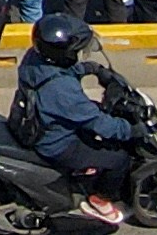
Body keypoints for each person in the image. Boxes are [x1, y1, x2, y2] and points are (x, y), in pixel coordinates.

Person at [12, 15, 143, 225]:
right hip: (56, 144)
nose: (77, 55)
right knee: (118, 159)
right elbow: (100, 124)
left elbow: (61, 70)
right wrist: (131, 130)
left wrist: (91, 68)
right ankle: (99, 200)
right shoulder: (62, 91)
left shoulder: (35, 59)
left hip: (37, 121)